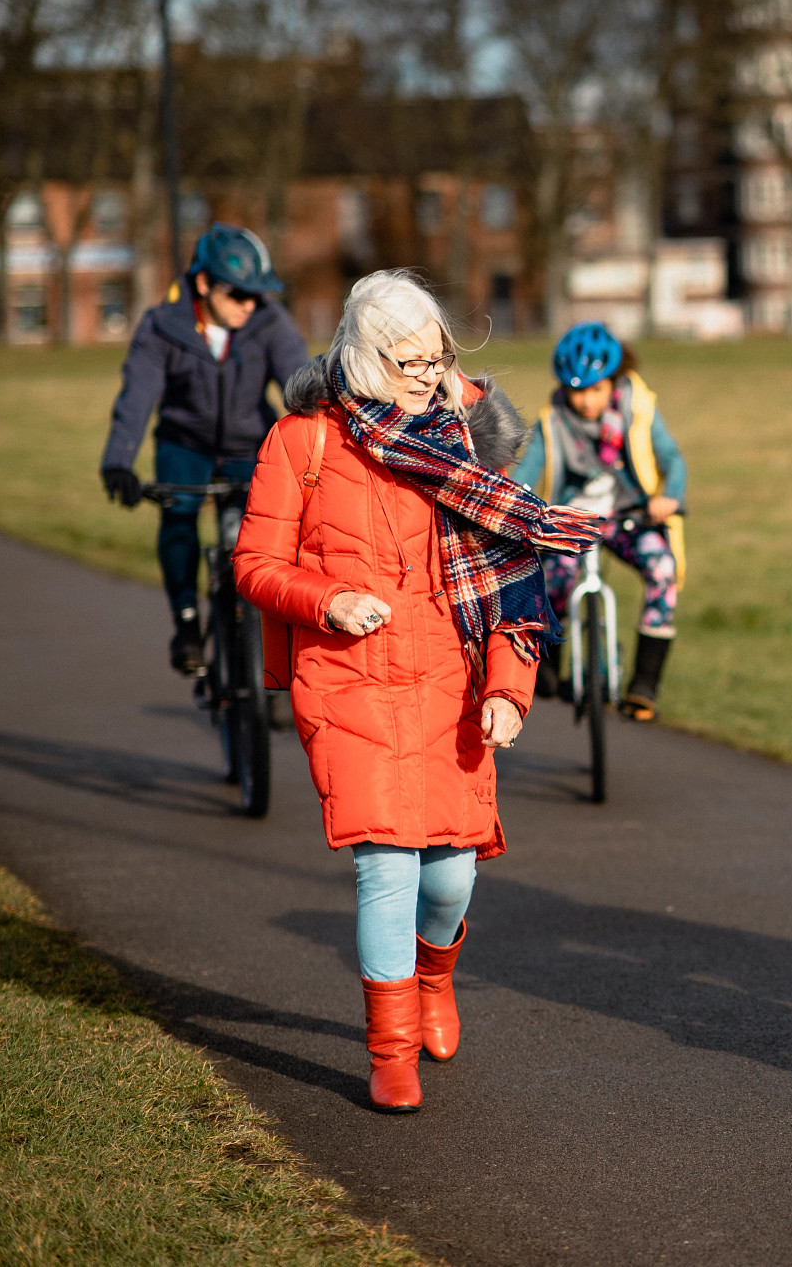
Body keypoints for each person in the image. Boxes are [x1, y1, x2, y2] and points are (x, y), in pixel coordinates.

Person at [234, 271, 602, 1113]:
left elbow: (516, 587)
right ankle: (389, 1049)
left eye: (437, 357)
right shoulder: (304, 441)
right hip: (347, 678)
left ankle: (435, 974)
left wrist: (510, 688)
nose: (429, 375)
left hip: (450, 681)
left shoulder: (467, 441)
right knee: (386, 866)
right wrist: (326, 599)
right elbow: (255, 563)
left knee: (451, 879)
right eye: (408, 361)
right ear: (362, 360)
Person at [100, 223, 311, 673]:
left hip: (252, 445)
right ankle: (187, 623)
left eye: (256, 295)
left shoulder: (268, 321)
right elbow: (136, 398)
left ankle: (270, 640)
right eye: (238, 294)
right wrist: (118, 462)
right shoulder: (162, 326)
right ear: (203, 283)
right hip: (185, 442)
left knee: (270, 538)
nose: (249, 305)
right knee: (179, 521)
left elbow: (301, 385)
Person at [511, 322, 687, 721]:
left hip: (630, 516)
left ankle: (644, 684)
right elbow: (528, 471)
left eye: (595, 389)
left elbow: (672, 459)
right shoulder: (553, 422)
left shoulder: (637, 411)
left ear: (613, 381)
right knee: (552, 580)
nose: (586, 401)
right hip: (572, 519)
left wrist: (669, 496)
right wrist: (516, 503)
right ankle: (550, 663)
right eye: (576, 391)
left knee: (663, 570)